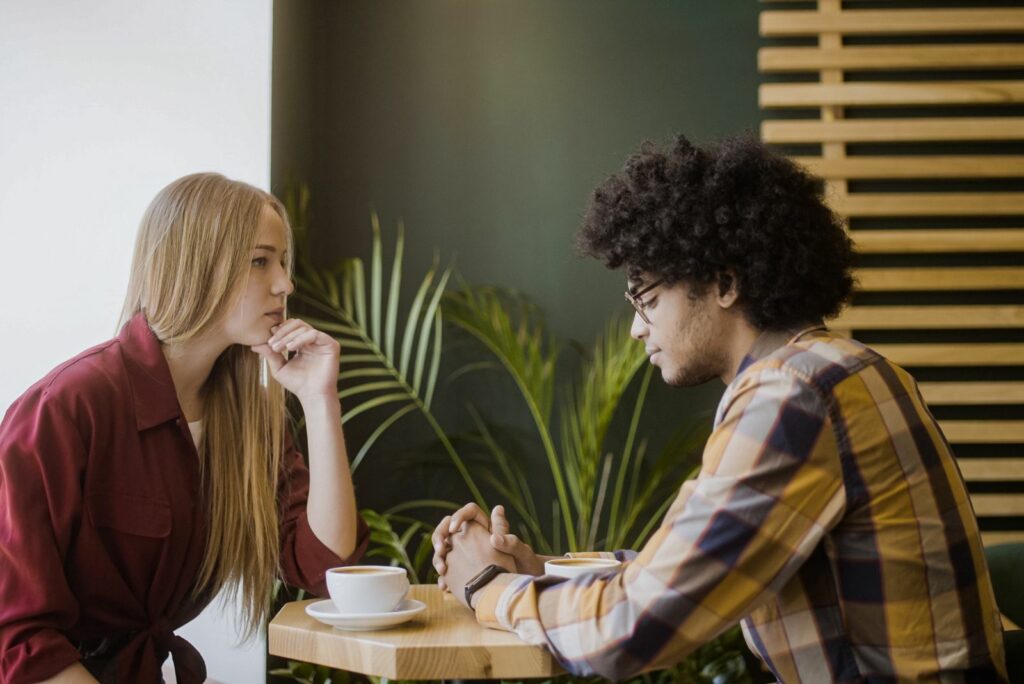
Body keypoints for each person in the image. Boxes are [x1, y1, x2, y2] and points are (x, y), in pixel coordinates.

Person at [432, 135, 1008, 682]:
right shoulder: (847, 369)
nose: (636, 329)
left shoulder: (795, 395)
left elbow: (632, 629)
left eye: (648, 299)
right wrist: (541, 572)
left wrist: (485, 586)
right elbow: (694, 563)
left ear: (725, 283)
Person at [0, 173, 369, 684]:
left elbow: (326, 568)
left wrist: (320, 400)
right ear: (197, 266)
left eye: (282, 262)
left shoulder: (248, 420)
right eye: (261, 261)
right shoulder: (66, 407)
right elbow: (19, 638)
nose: (285, 283)